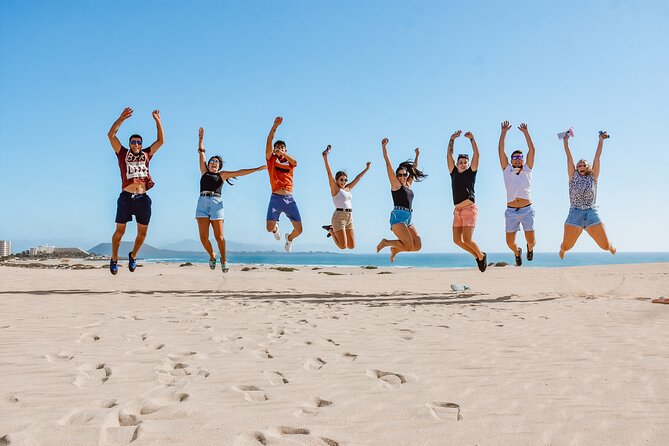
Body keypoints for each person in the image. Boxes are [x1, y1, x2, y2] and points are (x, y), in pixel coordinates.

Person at [196, 127, 266, 272]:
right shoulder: (203, 171)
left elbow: (240, 172)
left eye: (216, 162)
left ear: (219, 166)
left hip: (216, 204)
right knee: (203, 238)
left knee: (220, 237)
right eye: (211, 161)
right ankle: (212, 255)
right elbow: (201, 153)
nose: (213, 163)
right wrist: (201, 139)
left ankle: (224, 259)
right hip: (202, 202)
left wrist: (257, 169)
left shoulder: (222, 175)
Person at [107, 107, 164, 275]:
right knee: (120, 231)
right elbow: (111, 136)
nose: (137, 144)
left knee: (142, 233)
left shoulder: (147, 154)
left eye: (139, 142)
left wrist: (158, 121)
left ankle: (133, 255)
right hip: (126, 197)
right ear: (130, 144)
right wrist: (121, 119)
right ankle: (115, 258)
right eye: (133, 142)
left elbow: (161, 141)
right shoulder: (122, 153)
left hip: (143, 198)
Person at [559, 131, 616, 258]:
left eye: (584, 165)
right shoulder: (572, 177)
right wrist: (565, 141)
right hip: (575, 213)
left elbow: (597, 157)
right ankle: (562, 249)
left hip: (591, 212)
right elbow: (569, 158)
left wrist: (601, 140)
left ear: (588, 167)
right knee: (567, 246)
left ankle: (611, 245)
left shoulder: (593, 177)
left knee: (605, 246)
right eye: (579, 165)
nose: (581, 166)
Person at [376, 138, 427, 262]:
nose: (403, 177)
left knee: (417, 246)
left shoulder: (408, 184)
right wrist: (384, 147)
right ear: (397, 176)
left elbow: (413, 169)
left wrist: (417, 155)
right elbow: (388, 164)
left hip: (409, 218)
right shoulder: (396, 185)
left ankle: (395, 249)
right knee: (408, 245)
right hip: (398, 217)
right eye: (400, 175)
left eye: (405, 174)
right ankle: (386, 242)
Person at [447, 130, 487, 272]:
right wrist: (452, 140)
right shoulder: (453, 173)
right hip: (457, 211)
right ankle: (477, 255)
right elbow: (449, 155)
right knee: (457, 240)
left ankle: (481, 256)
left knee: (468, 240)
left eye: (465, 162)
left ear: (468, 164)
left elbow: (477, 154)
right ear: (457, 164)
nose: (463, 164)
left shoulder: (471, 172)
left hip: (469, 209)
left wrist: (472, 139)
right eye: (461, 162)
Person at [498, 121, 536, 266]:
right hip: (511, 211)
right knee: (509, 242)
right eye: (514, 158)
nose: (517, 159)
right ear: (511, 160)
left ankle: (529, 248)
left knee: (531, 240)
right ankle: (517, 252)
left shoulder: (527, 169)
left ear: (523, 160)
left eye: (520, 157)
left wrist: (526, 132)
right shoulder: (507, 169)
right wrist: (503, 132)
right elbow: (501, 151)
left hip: (527, 210)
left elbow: (532, 149)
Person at [320, 145, 371, 249]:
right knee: (342, 246)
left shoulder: (347, 188)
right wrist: (325, 157)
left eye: (345, 180)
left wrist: (367, 169)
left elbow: (358, 178)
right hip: (339, 217)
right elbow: (329, 173)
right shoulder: (335, 189)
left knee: (352, 246)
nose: (343, 182)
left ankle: (331, 228)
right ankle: (331, 229)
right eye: (341, 180)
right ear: (337, 180)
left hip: (349, 217)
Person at [264, 117, 302, 252]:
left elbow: (295, 161)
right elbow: (268, 142)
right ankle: (275, 228)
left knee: (299, 229)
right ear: (274, 150)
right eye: (277, 147)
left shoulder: (290, 162)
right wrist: (274, 126)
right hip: (275, 198)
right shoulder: (271, 160)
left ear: (286, 150)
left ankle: (289, 238)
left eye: (282, 147)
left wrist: (284, 154)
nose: (279, 149)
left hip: (289, 198)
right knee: (269, 228)